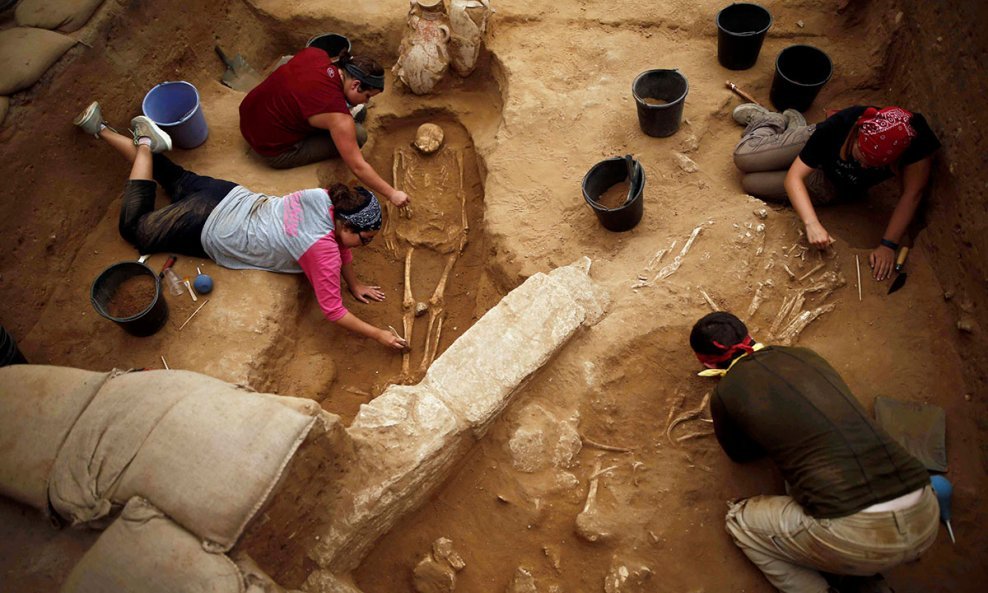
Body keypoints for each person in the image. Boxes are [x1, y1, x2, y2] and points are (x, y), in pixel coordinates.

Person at [73, 101, 408, 351]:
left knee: (169, 174)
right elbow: (333, 311)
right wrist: (379, 334)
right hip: (206, 225)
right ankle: (145, 143)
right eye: (365, 239)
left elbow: (341, 248)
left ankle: (100, 127)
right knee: (136, 230)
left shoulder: (324, 198)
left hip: (225, 193)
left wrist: (355, 282)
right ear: (346, 225)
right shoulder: (321, 251)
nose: (364, 245)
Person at [689, 311, 939, 593]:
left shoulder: (725, 391)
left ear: (707, 363)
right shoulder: (805, 356)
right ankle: (861, 578)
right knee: (802, 483)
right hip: (925, 511)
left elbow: (740, 454)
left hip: (856, 531)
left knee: (741, 523)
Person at [731, 104, 939, 282]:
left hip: (831, 182)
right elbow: (794, 178)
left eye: (874, 165)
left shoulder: (915, 144)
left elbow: (912, 194)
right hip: (816, 148)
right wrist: (812, 224)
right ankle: (773, 122)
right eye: (862, 157)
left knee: (752, 182)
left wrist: (888, 245)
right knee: (744, 158)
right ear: (857, 138)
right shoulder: (842, 124)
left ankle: (786, 139)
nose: (865, 166)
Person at [238, 47, 411, 209]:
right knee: (357, 134)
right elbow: (358, 166)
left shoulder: (316, 54)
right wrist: (392, 193)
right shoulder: (338, 118)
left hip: (248, 118)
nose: (367, 101)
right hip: (272, 149)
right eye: (366, 96)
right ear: (355, 85)